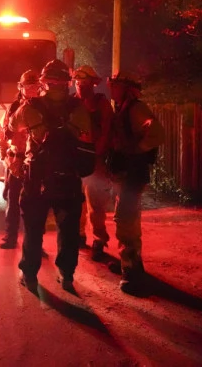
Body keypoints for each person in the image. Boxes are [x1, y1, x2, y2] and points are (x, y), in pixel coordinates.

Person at [9, 59, 93, 293]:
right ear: (67, 83)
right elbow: (87, 134)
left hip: (37, 178)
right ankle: (66, 275)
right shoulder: (78, 108)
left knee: (34, 228)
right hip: (68, 178)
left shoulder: (30, 107)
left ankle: (29, 274)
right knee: (68, 229)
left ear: (44, 82)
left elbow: (13, 126)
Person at [105, 72, 165, 295]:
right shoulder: (122, 108)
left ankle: (130, 271)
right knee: (128, 219)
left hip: (132, 173)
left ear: (127, 89)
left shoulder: (136, 108)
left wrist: (136, 150)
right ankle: (132, 264)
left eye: (116, 86)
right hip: (125, 173)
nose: (112, 89)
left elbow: (157, 133)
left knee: (125, 219)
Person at [72, 65, 114, 261]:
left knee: (95, 204)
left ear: (93, 84)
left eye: (85, 83)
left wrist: (96, 154)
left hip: (95, 161)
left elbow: (107, 132)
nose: (81, 86)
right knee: (75, 201)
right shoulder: (71, 103)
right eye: (78, 82)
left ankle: (99, 239)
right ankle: (78, 234)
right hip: (74, 161)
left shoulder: (101, 104)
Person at [0, 69, 41, 249]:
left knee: (36, 205)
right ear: (20, 87)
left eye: (35, 86)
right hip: (15, 162)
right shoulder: (13, 109)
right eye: (28, 86)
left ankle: (35, 243)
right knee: (13, 201)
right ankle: (11, 236)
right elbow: (2, 134)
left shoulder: (43, 108)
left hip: (36, 163)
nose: (31, 90)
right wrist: (4, 156)